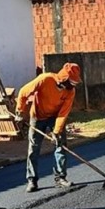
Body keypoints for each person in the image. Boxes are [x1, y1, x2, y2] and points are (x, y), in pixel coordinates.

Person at [15, 62, 81, 193]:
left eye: (75, 83)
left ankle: (60, 178)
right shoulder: (45, 79)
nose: (73, 86)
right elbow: (23, 92)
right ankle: (32, 180)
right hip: (37, 116)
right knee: (33, 148)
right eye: (72, 82)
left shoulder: (70, 92)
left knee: (60, 145)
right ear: (64, 79)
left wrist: (56, 132)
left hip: (55, 117)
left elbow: (63, 114)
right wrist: (19, 112)